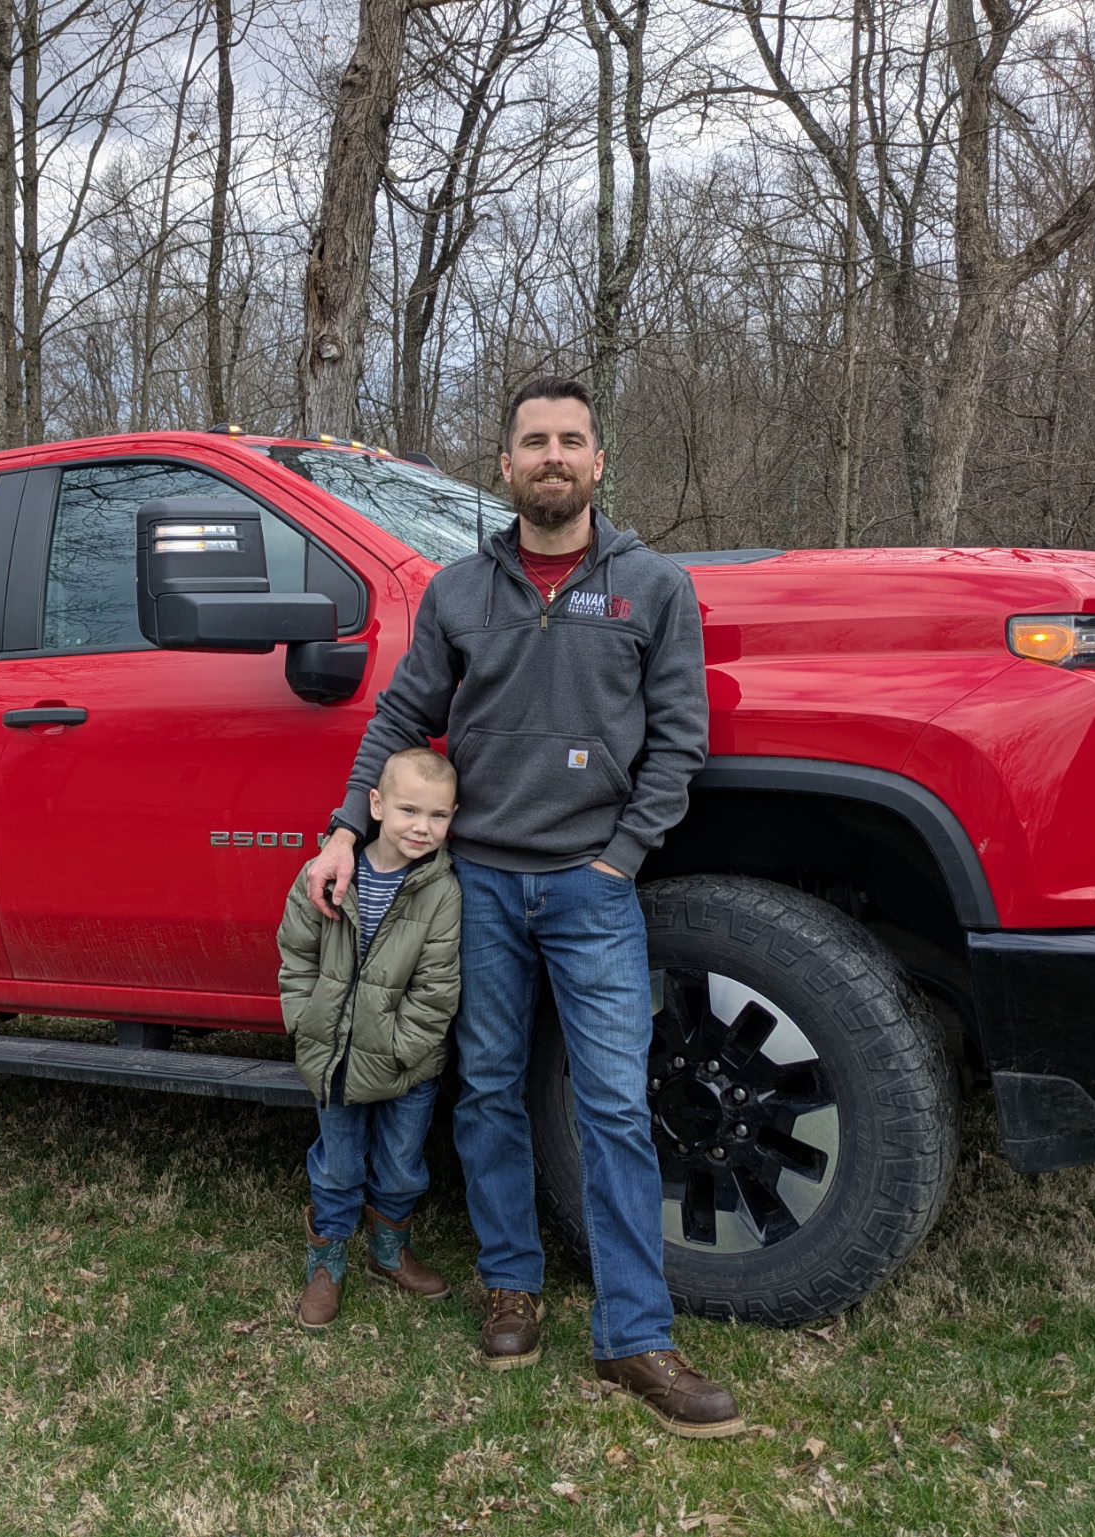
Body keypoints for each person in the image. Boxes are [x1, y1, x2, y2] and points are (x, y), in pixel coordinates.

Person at [301, 377, 744, 1438]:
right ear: (504, 466)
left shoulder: (653, 586)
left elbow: (681, 736)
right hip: (480, 888)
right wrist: (344, 827)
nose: (552, 456)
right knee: (489, 1089)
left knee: (612, 1109)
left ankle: (635, 1335)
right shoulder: (459, 592)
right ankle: (511, 1285)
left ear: (598, 462)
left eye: (571, 441)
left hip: (592, 887)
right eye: (532, 441)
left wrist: (621, 857)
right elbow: (406, 713)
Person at [277, 746, 464, 1332]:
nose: (422, 827)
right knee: (337, 1164)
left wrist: (400, 1051)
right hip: (332, 1056)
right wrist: (308, 1021)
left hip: (407, 1065)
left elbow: (437, 990)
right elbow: (296, 957)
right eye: (410, 810)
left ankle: (389, 1252)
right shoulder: (329, 875)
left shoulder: (442, 892)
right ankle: (326, 1262)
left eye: (438, 816)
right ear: (376, 806)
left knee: (402, 1163)